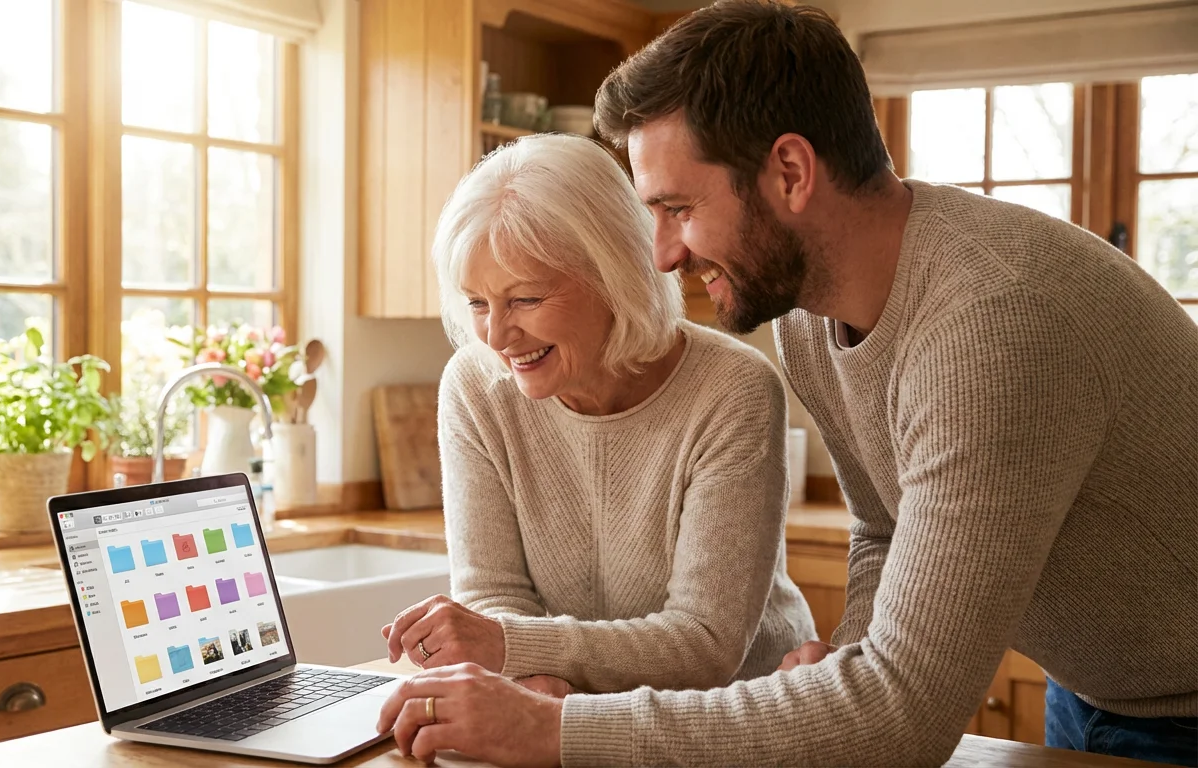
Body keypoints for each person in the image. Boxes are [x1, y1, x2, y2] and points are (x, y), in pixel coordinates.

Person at [376, 2, 1198, 766]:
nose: (662, 255)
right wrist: (851, 651)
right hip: (1092, 684)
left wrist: (555, 730)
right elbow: (882, 524)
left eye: (678, 209)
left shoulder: (993, 328)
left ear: (792, 172)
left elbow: (904, 713)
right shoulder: (807, 313)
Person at [379, 132, 816, 704]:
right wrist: (537, 683)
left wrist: (517, 654)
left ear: (616, 275)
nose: (496, 336)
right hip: (574, 714)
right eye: (478, 303)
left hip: (732, 718)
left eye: (526, 299)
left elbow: (705, 645)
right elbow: (493, 596)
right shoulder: (476, 386)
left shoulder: (733, 388)